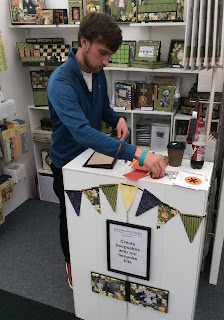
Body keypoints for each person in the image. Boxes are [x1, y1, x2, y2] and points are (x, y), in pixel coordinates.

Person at [47, 12, 165, 289]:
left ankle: (95, 260)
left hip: (92, 158)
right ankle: (71, 263)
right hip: (66, 163)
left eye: (110, 55)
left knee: (95, 211)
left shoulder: (98, 73)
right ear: (84, 42)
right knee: (69, 216)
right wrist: (139, 153)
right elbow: (83, 132)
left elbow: (102, 110)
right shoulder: (60, 83)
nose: (106, 61)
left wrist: (117, 119)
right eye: (102, 53)